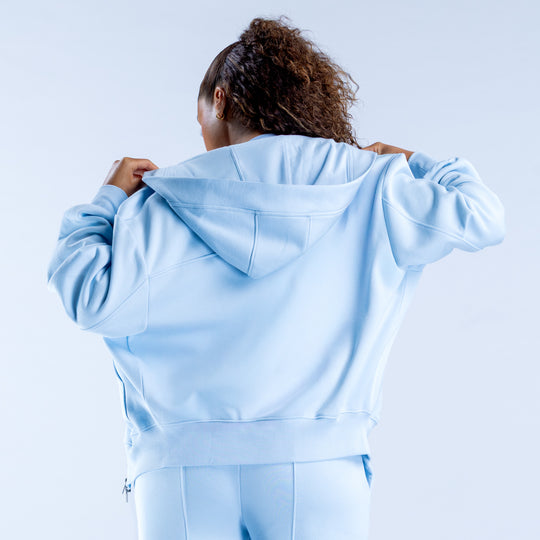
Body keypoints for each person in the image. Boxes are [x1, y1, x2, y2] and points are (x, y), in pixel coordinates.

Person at [46, 15, 506, 540]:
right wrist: (411, 161)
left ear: (220, 101)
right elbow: (482, 216)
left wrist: (108, 198)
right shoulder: (374, 185)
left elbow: (87, 297)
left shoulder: (156, 203)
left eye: (200, 120)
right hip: (319, 466)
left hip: (180, 472)